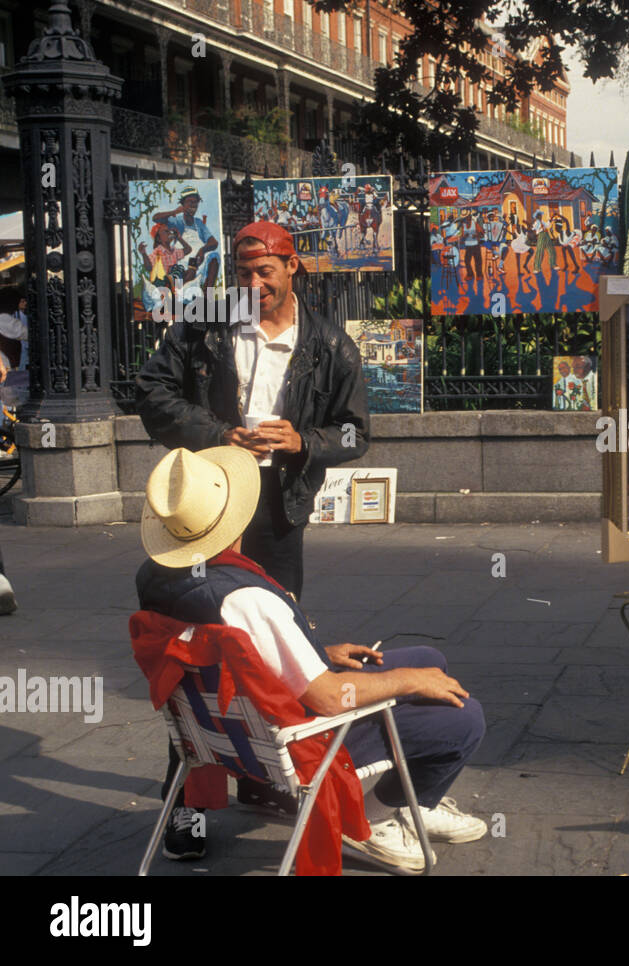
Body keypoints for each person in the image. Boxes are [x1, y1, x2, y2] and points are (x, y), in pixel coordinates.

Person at [136, 445, 486, 870]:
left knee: (430, 657)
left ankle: (419, 803)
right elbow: (328, 699)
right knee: (464, 717)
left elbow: (238, 653)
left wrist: (316, 653)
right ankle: (371, 822)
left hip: (225, 732)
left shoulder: (156, 578)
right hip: (296, 737)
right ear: (236, 516)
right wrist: (411, 681)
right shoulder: (245, 598)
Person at [135, 221, 372, 851]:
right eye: (242, 273)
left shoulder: (328, 343)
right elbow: (150, 392)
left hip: (276, 511)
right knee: (194, 650)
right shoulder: (203, 325)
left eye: (265, 271)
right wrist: (215, 433)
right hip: (209, 506)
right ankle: (187, 800)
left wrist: (305, 441)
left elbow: (355, 434)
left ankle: (266, 774)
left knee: (273, 648)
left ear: (293, 268)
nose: (253, 284)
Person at [153, 186, 221, 298]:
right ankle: (178, 296)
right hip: (184, 257)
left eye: (196, 202)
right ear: (183, 204)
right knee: (189, 266)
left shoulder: (199, 223)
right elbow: (156, 218)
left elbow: (214, 243)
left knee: (214, 258)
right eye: (190, 202)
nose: (193, 205)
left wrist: (202, 250)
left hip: (199, 257)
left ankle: (207, 296)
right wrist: (175, 211)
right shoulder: (177, 221)